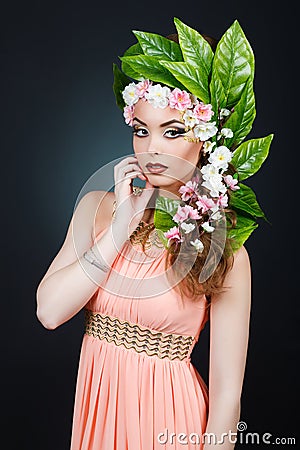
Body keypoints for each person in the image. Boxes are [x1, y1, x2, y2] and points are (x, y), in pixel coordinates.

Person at [36, 18, 272, 450]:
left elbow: (226, 396)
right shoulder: (98, 209)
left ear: (206, 139)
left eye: (174, 131)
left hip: (169, 422)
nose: (152, 149)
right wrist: (120, 229)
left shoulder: (227, 252)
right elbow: (50, 312)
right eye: (141, 130)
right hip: (98, 411)